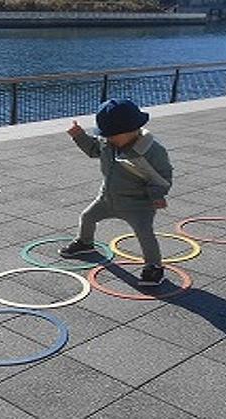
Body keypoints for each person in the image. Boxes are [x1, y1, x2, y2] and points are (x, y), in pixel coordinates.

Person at [59, 98, 173, 286]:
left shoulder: (152, 150)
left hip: (138, 204)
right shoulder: (108, 142)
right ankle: (85, 243)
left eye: (113, 135)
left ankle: (154, 267)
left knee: (145, 233)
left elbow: (163, 176)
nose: (108, 138)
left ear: (133, 130)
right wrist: (79, 135)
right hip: (107, 199)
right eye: (106, 134)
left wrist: (158, 195)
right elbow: (93, 149)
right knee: (87, 217)